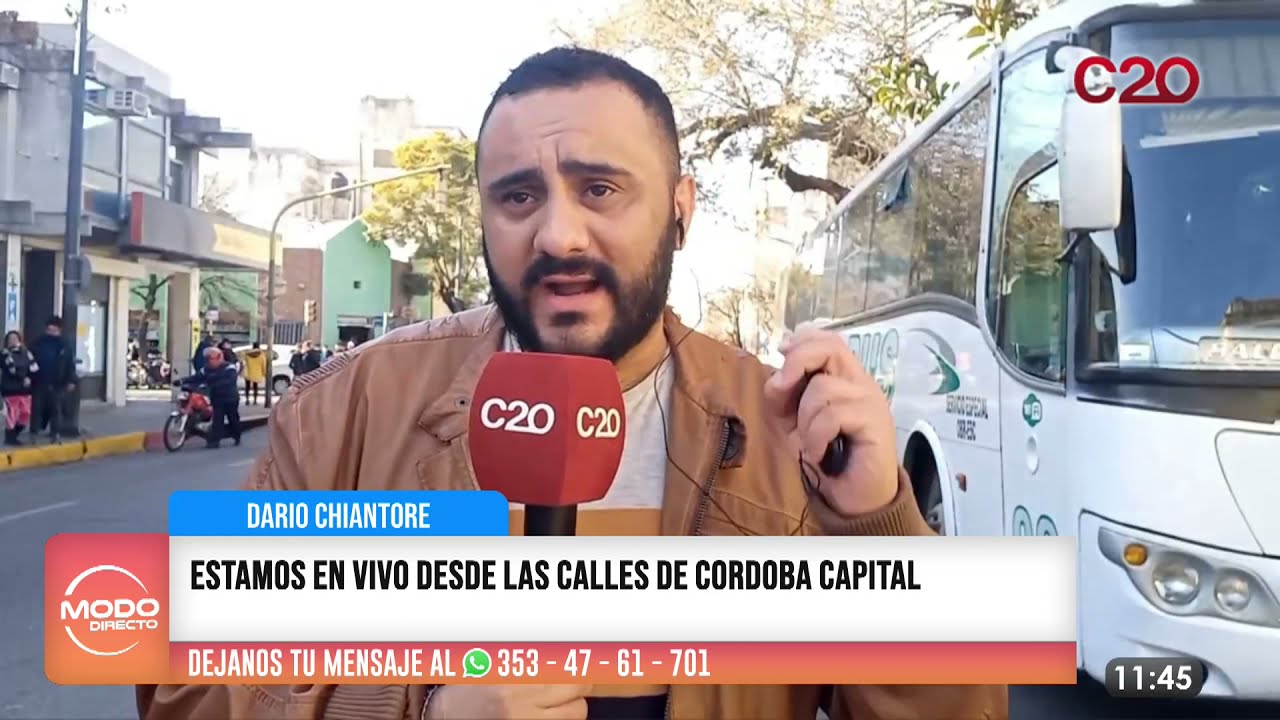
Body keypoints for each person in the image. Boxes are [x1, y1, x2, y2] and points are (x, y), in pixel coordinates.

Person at [137, 48, 1007, 720]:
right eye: (518, 197)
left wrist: (880, 524)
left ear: (680, 209)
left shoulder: (789, 438)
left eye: (600, 189)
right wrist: (419, 707)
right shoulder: (345, 414)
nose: (559, 235)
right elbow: (187, 693)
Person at [31, 316, 76, 443]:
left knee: (56, 409)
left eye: (54, 330)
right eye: (49, 330)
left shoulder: (64, 345)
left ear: (59, 330)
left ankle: (55, 433)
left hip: (57, 382)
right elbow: (29, 359)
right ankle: (34, 433)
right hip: (39, 381)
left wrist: (71, 380)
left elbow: (70, 363)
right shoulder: (38, 343)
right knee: (37, 409)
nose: (51, 333)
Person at [198, 346, 241, 449]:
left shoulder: (229, 367)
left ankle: (237, 435)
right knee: (218, 419)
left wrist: (214, 384)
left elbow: (230, 381)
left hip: (230, 398)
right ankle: (214, 441)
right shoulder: (206, 369)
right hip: (217, 398)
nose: (209, 361)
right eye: (207, 358)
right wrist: (182, 381)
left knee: (233, 418)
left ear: (219, 357)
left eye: (210, 358)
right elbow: (197, 378)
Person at [0, 331, 37, 445]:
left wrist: (30, 378)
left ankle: (14, 434)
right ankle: (10, 437)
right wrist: (23, 378)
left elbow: (34, 367)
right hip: (10, 390)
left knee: (25, 413)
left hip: (25, 390)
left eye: (15, 338)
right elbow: (10, 369)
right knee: (12, 414)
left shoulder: (27, 353)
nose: (13, 341)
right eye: (10, 339)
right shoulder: (4, 354)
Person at [239, 341, 268, 405]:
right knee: (255, 387)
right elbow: (263, 364)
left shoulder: (247, 354)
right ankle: (255, 400)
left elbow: (243, 362)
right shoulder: (261, 354)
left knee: (247, 387)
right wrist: (264, 373)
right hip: (257, 373)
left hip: (248, 372)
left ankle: (247, 400)